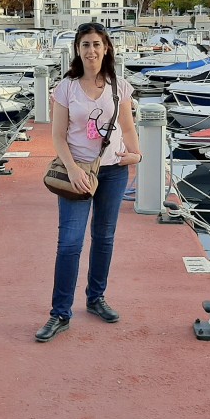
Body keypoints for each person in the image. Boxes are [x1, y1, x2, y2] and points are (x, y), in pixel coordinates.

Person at [35, 23, 142, 343]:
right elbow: (57, 135)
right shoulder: (66, 87)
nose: (91, 50)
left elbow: (128, 125)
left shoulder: (119, 86)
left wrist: (137, 156)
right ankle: (60, 312)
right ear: (77, 50)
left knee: (104, 237)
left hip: (113, 173)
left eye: (96, 44)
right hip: (76, 173)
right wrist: (73, 171)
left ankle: (96, 298)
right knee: (69, 243)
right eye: (84, 45)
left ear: (106, 48)